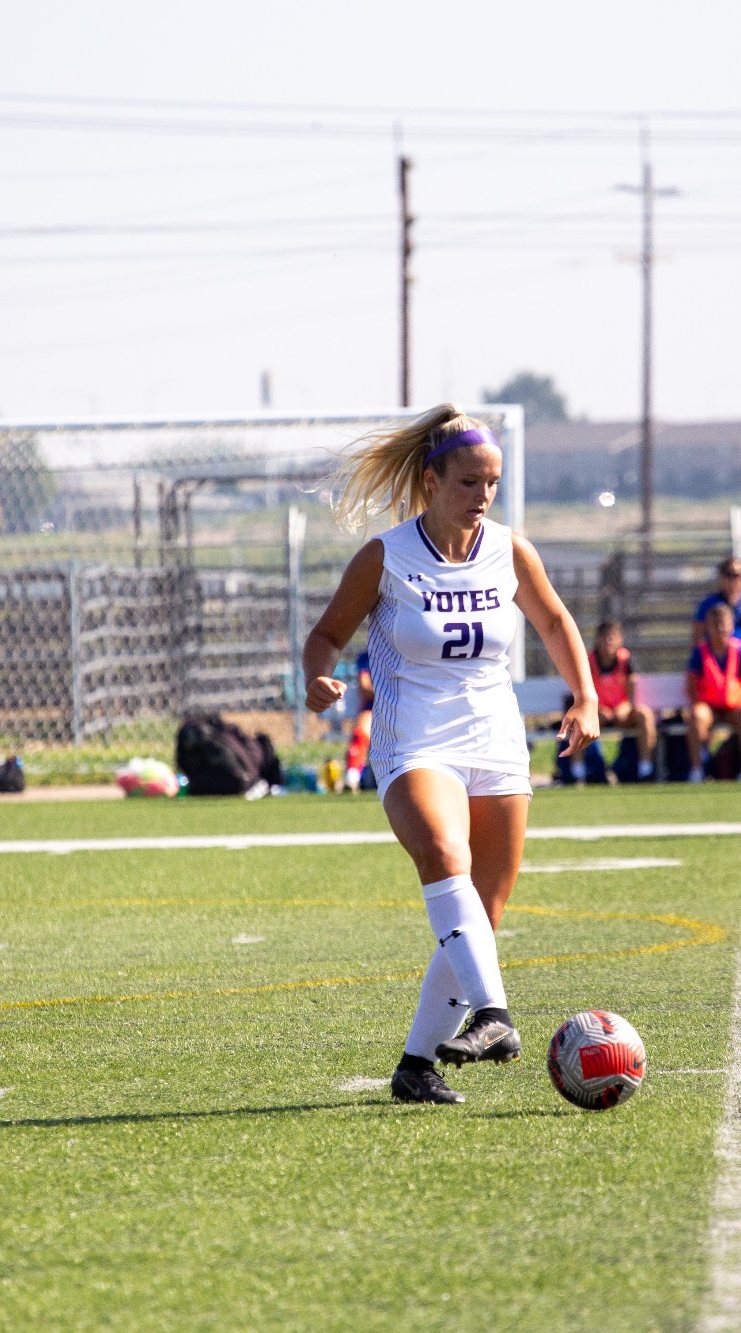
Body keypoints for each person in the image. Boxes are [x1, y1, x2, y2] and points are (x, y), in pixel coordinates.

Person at [302, 404, 598, 1106]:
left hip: (496, 738)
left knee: (479, 912)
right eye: (469, 482)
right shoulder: (386, 555)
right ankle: (495, 1016)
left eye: (492, 482)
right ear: (431, 482)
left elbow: (554, 619)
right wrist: (317, 676)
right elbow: (325, 634)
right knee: (444, 855)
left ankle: (414, 1064)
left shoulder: (509, 549)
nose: (483, 495)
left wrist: (584, 696)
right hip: (415, 738)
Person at [686, 602, 741, 782]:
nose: (720, 628)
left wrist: (740, 700)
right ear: (708, 627)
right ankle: (697, 770)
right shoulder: (700, 652)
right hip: (710, 707)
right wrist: (701, 702)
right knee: (696, 716)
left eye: (724, 624)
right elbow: (691, 684)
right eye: (715, 624)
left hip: (733, 707)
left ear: (731, 626)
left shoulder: (739, 650)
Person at [587, 620, 657, 782]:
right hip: (598, 713)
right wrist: (597, 709)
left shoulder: (626, 660)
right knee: (579, 721)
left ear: (620, 640)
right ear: (597, 639)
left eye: (612, 637)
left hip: (622, 712)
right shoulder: (588, 661)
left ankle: (646, 769)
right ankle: (577, 773)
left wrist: (627, 707)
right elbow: (584, 689)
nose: (608, 642)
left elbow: (632, 688)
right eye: (604, 638)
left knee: (645, 715)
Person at [340, 649, 374, 793]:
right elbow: (365, 688)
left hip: (406, 707)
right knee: (361, 731)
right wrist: (391, 692)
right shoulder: (366, 656)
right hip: (374, 706)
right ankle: (352, 778)